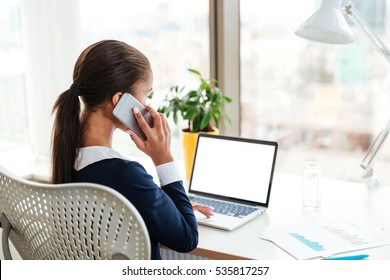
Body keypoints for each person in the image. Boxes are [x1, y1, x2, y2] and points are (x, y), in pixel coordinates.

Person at [51, 39, 212, 259]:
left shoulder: (68, 158)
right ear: (120, 101)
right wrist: (163, 158)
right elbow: (187, 239)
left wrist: (168, 207)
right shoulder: (124, 174)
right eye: (146, 94)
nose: (147, 106)